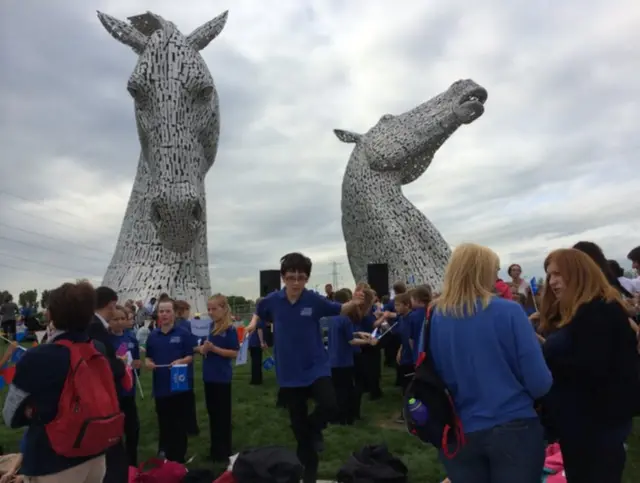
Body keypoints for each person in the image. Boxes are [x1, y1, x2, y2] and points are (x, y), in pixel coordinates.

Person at [428, 243, 552, 483]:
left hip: (457, 429)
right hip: (514, 426)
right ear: (483, 273)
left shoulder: (433, 317)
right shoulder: (510, 312)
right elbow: (540, 383)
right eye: (494, 270)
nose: (497, 278)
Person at [246, 252, 364, 483]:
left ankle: (314, 427)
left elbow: (338, 309)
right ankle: (308, 474)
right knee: (301, 435)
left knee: (330, 406)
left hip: (315, 367)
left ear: (307, 278)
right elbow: (259, 313)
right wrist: (251, 325)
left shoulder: (313, 300)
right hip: (289, 372)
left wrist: (355, 302)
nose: (296, 282)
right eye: (291, 277)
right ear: (283, 278)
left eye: (301, 277)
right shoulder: (273, 301)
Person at [3, 281, 122, 482]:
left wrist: (31, 412)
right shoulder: (98, 348)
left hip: (54, 459)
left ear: (51, 314)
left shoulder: (38, 357)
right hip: (95, 450)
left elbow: (10, 415)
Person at [539, 248, 640, 482]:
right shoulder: (586, 310)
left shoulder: (599, 310)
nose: (552, 281)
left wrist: (543, 355)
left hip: (596, 425)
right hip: (583, 425)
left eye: (557, 273)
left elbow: (590, 367)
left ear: (578, 273)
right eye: (549, 275)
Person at [88, 287, 129, 483]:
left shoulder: (96, 325)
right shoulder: (95, 327)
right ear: (111, 304)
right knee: (113, 449)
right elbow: (102, 363)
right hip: (102, 395)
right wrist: (120, 365)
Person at [145, 299, 194, 463]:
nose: (164, 314)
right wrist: (148, 363)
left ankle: (179, 456)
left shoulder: (183, 334)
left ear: (174, 313)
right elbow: (148, 357)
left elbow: (190, 356)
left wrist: (181, 361)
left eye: (167, 311)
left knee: (179, 423)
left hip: (179, 386)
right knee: (164, 421)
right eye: (161, 311)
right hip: (161, 387)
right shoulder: (152, 336)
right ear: (157, 314)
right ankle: (164, 451)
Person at [195, 294, 240, 463]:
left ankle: (224, 450)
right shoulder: (209, 327)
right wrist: (202, 349)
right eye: (209, 309)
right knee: (212, 414)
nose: (211, 312)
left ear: (223, 308)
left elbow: (234, 352)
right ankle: (215, 449)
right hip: (209, 376)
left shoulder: (229, 329)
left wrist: (215, 349)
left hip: (222, 377)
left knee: (223, 415)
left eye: (214, 309)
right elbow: (202, 346)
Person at [327, 288, 376, 425]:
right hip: (344, 360)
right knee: (346, 390)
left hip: (332, 360)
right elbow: (351, 341)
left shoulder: (331, 318)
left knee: (337, 391)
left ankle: (337, 417)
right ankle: (346, 418)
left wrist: (359, 334)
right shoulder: (346, 320)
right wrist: (368, 341)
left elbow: (344, 336)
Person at [108, 305, 141, 467]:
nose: (120, 322)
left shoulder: (131, 338)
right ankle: (115, 463)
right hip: (112, 392)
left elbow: (135, 361)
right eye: (115, 319)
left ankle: (131, 463)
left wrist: (136, 365)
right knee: (113, 432)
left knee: (132, 429)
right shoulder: (106, 341)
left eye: (123, 318)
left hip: (128, 390)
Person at [248, 298, 267, 385]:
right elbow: (259, 329)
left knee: (256, 362)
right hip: (256, 342)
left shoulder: (255, 315)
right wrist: (262, 342)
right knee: (256, 362)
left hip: (253, 342)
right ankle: (256, 380)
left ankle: (257, 379)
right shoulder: (258, 315)